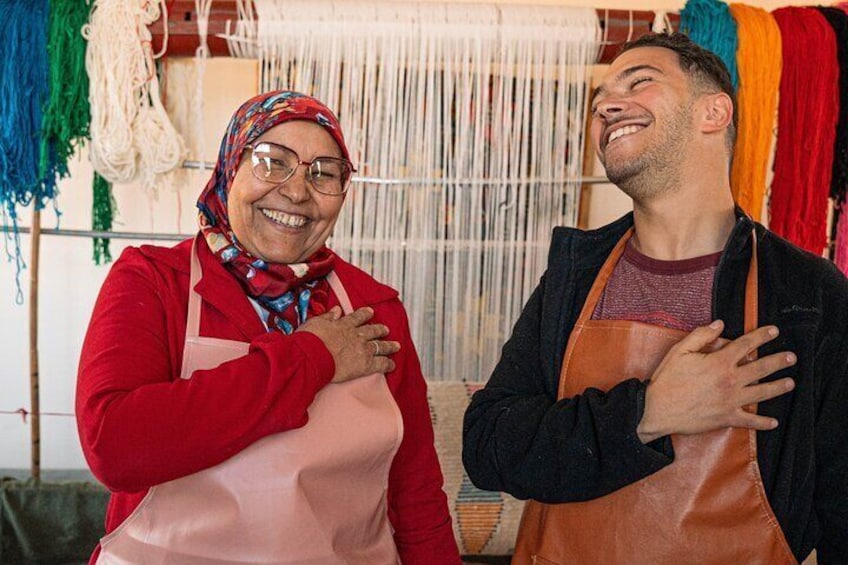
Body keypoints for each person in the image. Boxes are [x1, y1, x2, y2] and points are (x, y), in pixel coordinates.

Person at [463, 33, 848, 564]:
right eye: (599, 101)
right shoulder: (575, 274)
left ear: (713, 112)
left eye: (640, 81)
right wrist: (646, 414)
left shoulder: (807, 294)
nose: (606, 106)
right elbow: (488, 448)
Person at [76, 91, 461, 564]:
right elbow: (115, 446)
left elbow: (414, 492)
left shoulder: (373, 307)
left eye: (324, 173)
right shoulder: (155, 282)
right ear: (229, 168)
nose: (297, 192)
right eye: (271, 162)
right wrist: (311, 358)